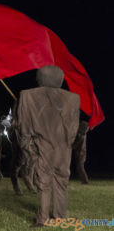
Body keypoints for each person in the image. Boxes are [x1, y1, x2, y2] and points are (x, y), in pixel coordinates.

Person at [14, 65, 80, 227]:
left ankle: (42, 218)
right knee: (61, 181)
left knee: (43, 183)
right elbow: (74, 126)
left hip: (41, 145)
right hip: (63, 148)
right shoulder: (73, 98)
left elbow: (24, 126)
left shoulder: (28, 95)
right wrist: (68, 142)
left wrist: (26, 143)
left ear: (40, 78)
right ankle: (60, 216)